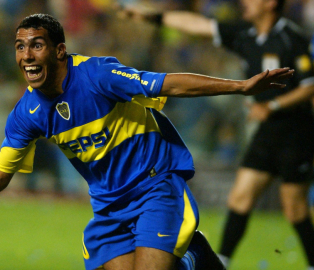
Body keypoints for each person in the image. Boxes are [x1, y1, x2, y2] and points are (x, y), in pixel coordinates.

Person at [0, 13, 293, 270]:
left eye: (36, 45)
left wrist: (240, 87)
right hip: (109, 207)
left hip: (154, 185)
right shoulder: (27, 114)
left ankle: (191, 258)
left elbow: (168, 82)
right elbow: (0, 174)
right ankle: (191, 258)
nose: (26, 56)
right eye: (20, 47)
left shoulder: (98, 75)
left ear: (59, 50)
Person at [118, 0, 314, 269]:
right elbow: (199, 25)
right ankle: (221, 261)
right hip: (267, 132)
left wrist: (273, 105)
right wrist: (155, 18)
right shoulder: (245, 33)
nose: (244, 2)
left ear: (270, 3)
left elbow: (308, 87)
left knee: (294, 208)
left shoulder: (293, 38)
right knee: (239, 198)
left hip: (296, 132)